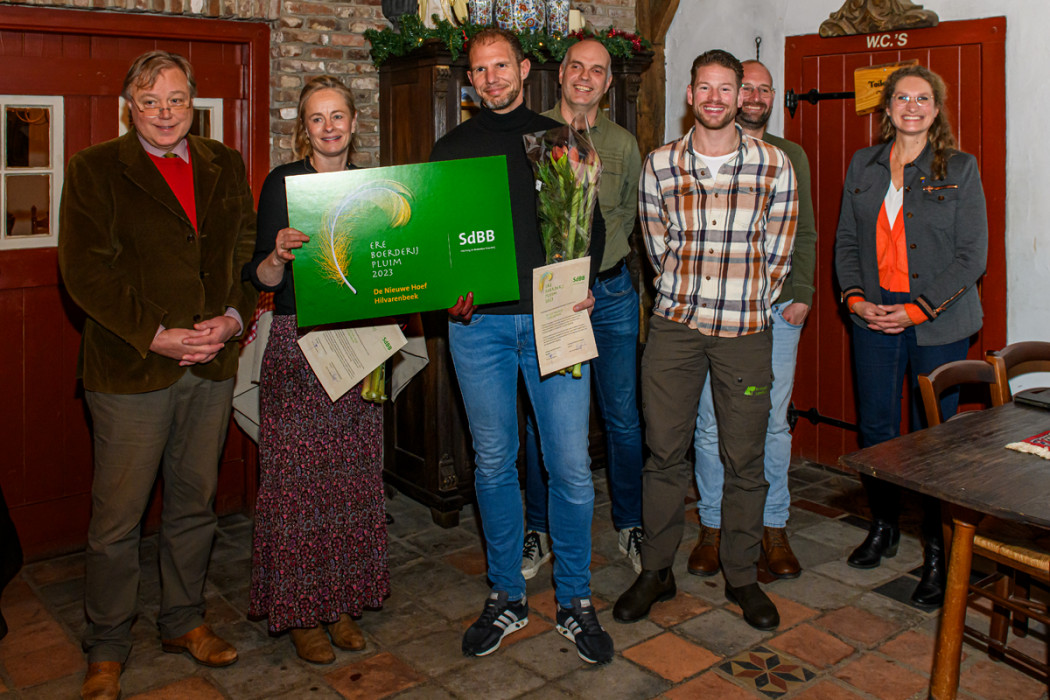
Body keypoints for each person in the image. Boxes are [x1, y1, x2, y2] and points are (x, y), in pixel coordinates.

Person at [58, 50, 257, 700]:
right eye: (151, 101)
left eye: (176, 99)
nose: (166, 112)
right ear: (129, 108)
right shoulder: (94, 170)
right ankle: (108, 645)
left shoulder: (224, 164)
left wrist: (231, 318)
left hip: (213, 364)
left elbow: (246, 247)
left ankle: (183, 621)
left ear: (193, 102)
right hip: (132, 368)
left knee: (193, 505)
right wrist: (157, 334)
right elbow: (86, 272)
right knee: (117, 520)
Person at [431, 28, 613, 665]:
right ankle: (507, 594)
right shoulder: (450, 148)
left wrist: (584, 283)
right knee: (491, 463)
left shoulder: (561, 140)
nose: (491, 79)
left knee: (567, 467)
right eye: (479, 71)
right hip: (476, 329)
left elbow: (590, 225)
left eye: (500, 66)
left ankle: (575, 600)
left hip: (553, 323)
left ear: (524, 68)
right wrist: (446, 289)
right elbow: (440, 241)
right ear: (470, 81)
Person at [614, 49, 797, 632]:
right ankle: (657, 571)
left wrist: (742, 297)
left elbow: (779, 250)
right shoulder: (661, 164)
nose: (716, 98)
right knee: (664, 452)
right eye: (705, 88)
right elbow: (656, 244)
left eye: (727, 88)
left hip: (745, 331)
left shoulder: (773, 166)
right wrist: (688, 296)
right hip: (675, 330)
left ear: (741, 95)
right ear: (690, 96)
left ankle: (741, 575)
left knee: (745, 458)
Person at [244, 75, 386, 664]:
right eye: (316, 118)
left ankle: (346, 603)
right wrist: (276, 254)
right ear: (305, 127)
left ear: (355, 123)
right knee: (297, 485)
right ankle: (302, 612)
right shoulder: (283, 183)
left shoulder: (377, 186)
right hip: (298, 344)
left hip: (359, 347)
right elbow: (260, 277)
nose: (328, 127)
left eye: (338, 116)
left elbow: (393, 265)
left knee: (353, 480)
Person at [835, 64, 987, 607]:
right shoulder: (864, 164)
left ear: (937, 108)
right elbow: (847, 242)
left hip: (938, 322)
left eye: (923, 98)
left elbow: (973, 257)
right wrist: (855, 300)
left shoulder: (960, 168)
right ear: (888, 108)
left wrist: (917, 310)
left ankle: (938, 552)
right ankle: (883, 525)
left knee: (932, 440)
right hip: (874, 317)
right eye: (902, 97)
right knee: (877, 428)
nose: (912, 106)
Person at [521, 37, 644, 579]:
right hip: (550, 301)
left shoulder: (622, 144)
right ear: (561, 72)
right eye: (577, 67)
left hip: (612, 296)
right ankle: (537, 529)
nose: (586, 78)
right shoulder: (530, 133)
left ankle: (630, 524)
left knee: (621, 417)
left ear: (608, 82)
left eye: (598, 71)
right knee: (540, 422)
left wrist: (593, 274)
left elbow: (629, 217)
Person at [690, 60, 816, 580]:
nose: (759, 96)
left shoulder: (789, 155)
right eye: (751, 88)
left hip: (776, 311)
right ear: (735, 95)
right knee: (710, 421)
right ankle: (713, 526)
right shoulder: (706, 152)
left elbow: (805, 228)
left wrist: (801, 291)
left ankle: (773, 525)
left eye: (768, 89)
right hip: (714, 312)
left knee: (773, 422)